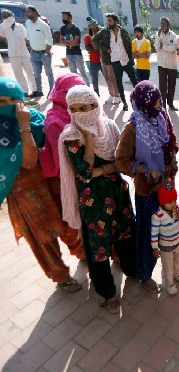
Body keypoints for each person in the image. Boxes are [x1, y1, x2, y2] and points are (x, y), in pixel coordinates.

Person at [1, 77, 84, 293]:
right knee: (43, 238)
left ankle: (83, 254)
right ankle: (61, 275)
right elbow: (28, 160)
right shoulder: (13, 127)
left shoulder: (37, 117)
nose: (10, 105)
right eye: (2, 102)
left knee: (68, 223)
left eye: (14, 99)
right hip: (25, 193)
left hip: (50, 181)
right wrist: (23, 124)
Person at [59, 85, 136, 312]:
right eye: (74, 109)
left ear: (95, 105)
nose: (80, 113)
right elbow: (83, 173)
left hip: (116, 193)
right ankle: (108, 293)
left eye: (85, 107)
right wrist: (89, 141)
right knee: (98, 246)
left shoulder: (110, 127)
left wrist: (103, 170)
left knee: (125, 233)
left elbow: (121, 162)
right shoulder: (71, 136)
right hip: (93, 202)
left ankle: (131, 269)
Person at [116, 81, 178, 293]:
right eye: (156, 101)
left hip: (165, 186)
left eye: (160, 101)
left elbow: (171, 146)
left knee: (168, 228)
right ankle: (145, 274)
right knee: (148, 233)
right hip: (147, 191)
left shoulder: (160, 119)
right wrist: (141, 169)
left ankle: (170, 270)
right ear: (145, 103)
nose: (160, 105)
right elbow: (120, 160)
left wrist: (170, 168)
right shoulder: (133, 127)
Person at [39, 72, 86, 207]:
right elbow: (63, 160)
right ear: (61, 94)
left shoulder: (93, 110)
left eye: (81, 91)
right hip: (73, 179)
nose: (78, 97)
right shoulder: (54, 122)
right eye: (71, 92)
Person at [93, 13, 138, 111]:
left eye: (110, 21)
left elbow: (129, 47)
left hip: (125, 60)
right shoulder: (105, 32)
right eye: (107, 21)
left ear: (115, 21)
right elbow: (94, 39)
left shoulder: (124, 32)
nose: (108, 23)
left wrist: (131, 60)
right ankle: (124, 103)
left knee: (134, 81)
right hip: (114, 61)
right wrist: (105, 49)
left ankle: (138, 101)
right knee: (119, 82)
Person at [151, 181, 179, 295]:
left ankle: (178, 273)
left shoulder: (176, 209)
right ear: (162, 202)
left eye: (174, 200)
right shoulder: (157, 215)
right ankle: (169, 283)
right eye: (169, 202)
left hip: (178, 241)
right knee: (167, 266)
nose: (173, 204)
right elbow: (154, 233)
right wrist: (155, 248)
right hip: (166, 246)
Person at [0, 9, 35, 96]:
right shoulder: (2, 26)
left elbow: (27, 38)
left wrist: (29, 48)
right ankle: (24, 91)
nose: (5, 18)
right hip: (13, 54)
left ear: (11, 16)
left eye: (6, 16)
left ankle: (34, 89)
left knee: (30, 71)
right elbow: (2, 37)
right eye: (3, 16)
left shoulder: (20, 26)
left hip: (24, 53)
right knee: (18, 73)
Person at [86, 16, 120, 105]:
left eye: (94, 27)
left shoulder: (108, 31)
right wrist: (104, 48)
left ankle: (117, 96)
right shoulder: (101, 32)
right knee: (107, 78)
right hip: (103, 58)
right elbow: (95, 42)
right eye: (107, 21)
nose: (93, 29)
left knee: (112, 78)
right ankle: (112, 95)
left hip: (112, 59)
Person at [25, 5, 53, 97]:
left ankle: (52, 92)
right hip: (34, 53)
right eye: (27, 12)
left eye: (29, 12)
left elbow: (50, 41)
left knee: (48, 73)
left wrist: (46, 53)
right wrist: (30, 49)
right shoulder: (28, 23)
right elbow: (28, 37)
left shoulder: (43, 25)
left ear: (35, 13)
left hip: (44, 53)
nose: (27, 14)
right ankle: (39, 91)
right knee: (36, 74)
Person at [60, 10, 91, 86]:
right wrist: (70, 42)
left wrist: (66, 41)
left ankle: (87, 87)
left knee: (83, 72)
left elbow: (76, 42)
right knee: (73, 74)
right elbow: (61, 41)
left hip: (77, 54)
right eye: (62, 17)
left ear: (70, 18)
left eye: (64, 17)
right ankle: (76, 89)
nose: (63, 19)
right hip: (69, 54)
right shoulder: (62, 29)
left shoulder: (76, 29)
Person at [156, 17, 179, 110]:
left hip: (171, 65)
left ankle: (171, 104)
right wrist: (158, 37)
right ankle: (163, 106)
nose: (162, 26)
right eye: (161, 24)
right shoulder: (158, 34)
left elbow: (173, 48)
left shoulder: (173, 35)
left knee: (172, 85)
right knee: (162, 86)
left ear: (168, 25)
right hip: (161, 64)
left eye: (164, 24)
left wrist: (163, 46)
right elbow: (157, 47)